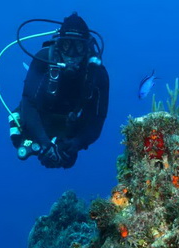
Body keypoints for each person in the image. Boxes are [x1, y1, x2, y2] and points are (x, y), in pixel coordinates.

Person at [9, 12, 109, 169]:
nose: (71, 54)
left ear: (87, 47)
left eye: (79, 47)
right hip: (41, 114)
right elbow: (28, 101)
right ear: (58, 45)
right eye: (67, 45)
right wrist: (44, 143)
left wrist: (77, 142)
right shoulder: (43, 59)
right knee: (19, 135)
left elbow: (98, 117)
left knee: (67, 160)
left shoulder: (97, 73)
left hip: (70, 121)